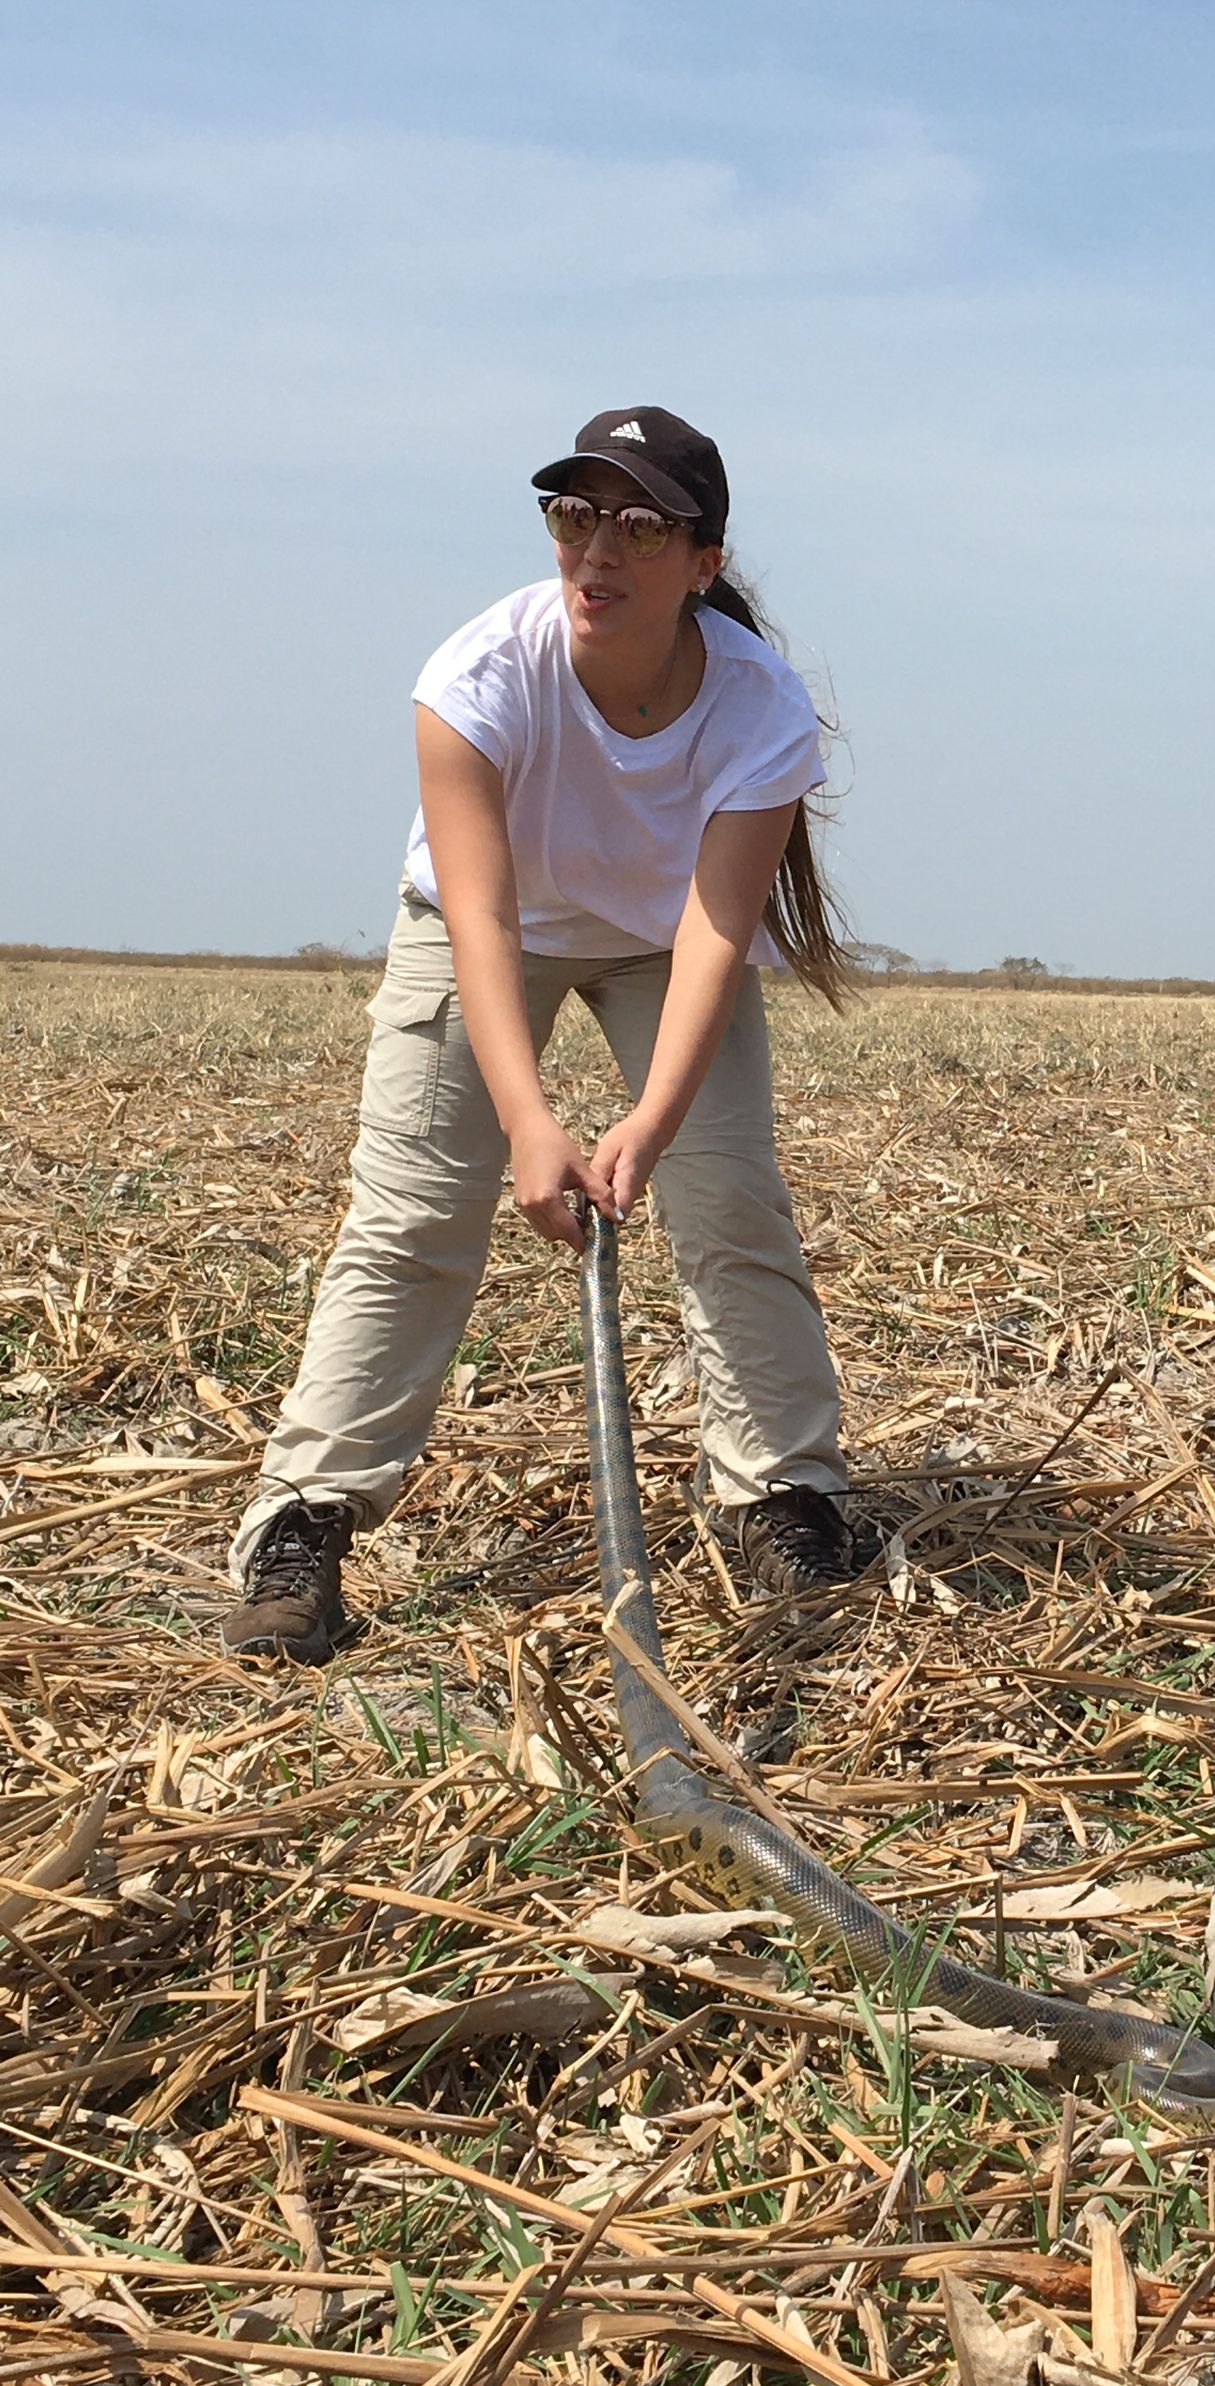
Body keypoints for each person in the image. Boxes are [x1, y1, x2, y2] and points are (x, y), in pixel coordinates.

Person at [223, 405, 860, 1664]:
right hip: (487, 929)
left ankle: (786, 1494)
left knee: (727, 1195)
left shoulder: (760, 707)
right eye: (575, 514)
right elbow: (480, 919)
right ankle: (303, 1519)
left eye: (639, 524)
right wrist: (531, 1119)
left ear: (702, 562)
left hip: (665, 943)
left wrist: (652, 1123)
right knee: (410, 1212)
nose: (597, 550)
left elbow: (718, 934)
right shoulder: (478, 677)